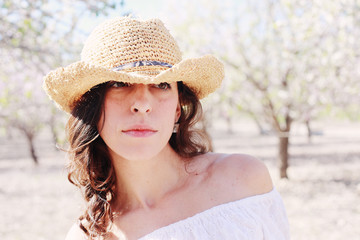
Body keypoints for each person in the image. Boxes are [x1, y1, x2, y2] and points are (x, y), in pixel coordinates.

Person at [43, 17, 290, 240]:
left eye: (161, 85)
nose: (142, 104)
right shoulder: (88, 236)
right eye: (120, 83)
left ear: (177, 108)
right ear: (92, 106)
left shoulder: (243, 180)